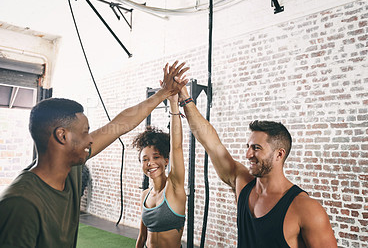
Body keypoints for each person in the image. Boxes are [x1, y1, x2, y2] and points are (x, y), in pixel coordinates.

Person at [0, 61, 189, 247]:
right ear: (62, 136)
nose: (91, 140)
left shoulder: (71, 170)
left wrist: (164, 93)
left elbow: (117, 126)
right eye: (85, 133)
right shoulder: (19, 203)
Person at [178, 85, 338, 247]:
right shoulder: (242, 184)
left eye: (256, 148)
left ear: (279, 154)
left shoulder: (306, 208)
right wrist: (185, 98)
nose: (248, 155)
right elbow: (211, 144)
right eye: (248, 147)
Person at [133, 92, 186, 248]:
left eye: (156, 157)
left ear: (166, 161)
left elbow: (176, 147)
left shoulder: (174, 188)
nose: (150, 163)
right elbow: (142, 236)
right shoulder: (145, 195)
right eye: (145, 159)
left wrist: (174, 105)